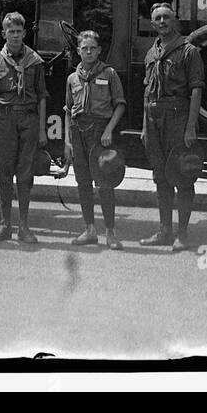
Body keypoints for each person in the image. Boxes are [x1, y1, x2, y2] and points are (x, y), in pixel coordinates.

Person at [139, 3, 204, 251]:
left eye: (166, 17)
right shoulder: (151, 53)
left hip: (178, 116)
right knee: (160, 176)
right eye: (158, 18)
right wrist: (146, 126)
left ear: (174, 20)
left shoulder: (188, 51)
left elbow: (196, 90)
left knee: (182, 174)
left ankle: (183, 234)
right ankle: (165, 231)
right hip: (154, 118)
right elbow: (147, 92)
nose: (163, 21)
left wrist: (190, 127)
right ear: (153, 23)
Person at [0, 12, 47, 244]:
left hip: (28, 120)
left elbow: (41, 97)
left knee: (25, 173)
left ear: (24, 33)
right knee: (4, 172)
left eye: (19, 31)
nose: (16, 36)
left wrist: (41, 130)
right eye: (11, 32)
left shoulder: (35, 62)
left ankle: (24, 226)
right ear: (4, 34)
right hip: (4, 120)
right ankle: (4, 224)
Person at [64, 30, 127, 249]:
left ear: (99, 50)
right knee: (83, 182)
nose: (88, 52)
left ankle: (110, 233)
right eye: (84, 48)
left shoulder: (109, 73)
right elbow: (68, 109)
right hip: (78, 130)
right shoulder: (73, 77)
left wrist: (109, 130)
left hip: (100, 132)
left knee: (105, 181)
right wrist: (67, 141)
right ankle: (89, 230)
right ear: (78, 51)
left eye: (92, 48)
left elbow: (120, 104)